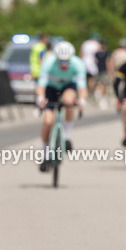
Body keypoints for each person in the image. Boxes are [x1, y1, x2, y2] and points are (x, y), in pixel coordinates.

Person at [35, 41, 87, 171]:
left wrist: (82, 100)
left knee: (69, 101)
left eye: (67, 62)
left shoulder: (78, 64)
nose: (64, 65)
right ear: (56, 58)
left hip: (68, 86)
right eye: (61, 62)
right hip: (50, 88)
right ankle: (45, 154)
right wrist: (40, 98)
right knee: (48, 121)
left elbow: (82, 86)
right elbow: (41, 84)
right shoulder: (48, 62)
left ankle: (67, 136)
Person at [80, 33, 102, 101]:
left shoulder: (85, 43)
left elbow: (81, 54)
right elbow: (98, 54)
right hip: (92, 63)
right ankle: (91, 92)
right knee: (92, 79)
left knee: (84, 79)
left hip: (84, 62)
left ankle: (85, 92)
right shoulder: (97, 44)